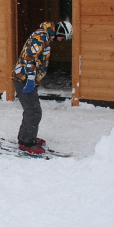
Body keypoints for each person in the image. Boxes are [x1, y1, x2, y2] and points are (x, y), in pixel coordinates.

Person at [11, 19, 72, 154]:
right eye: (63, 37)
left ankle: (27, 136)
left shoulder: (45, 37)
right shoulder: (41, 36)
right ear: (60, 31)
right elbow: (29, 57)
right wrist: (31, 79)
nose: (61, 40)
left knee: (32, 110)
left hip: (25, 77)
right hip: (24, 78)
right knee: (33, 111)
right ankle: (26, 142)